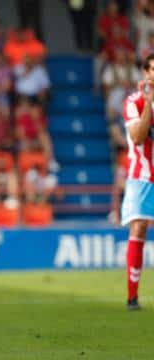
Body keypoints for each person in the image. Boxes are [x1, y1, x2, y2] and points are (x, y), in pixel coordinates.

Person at [120, 53, 154, 311]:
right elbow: (139, 138)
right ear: (146, 73)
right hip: (141, 175)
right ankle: (132, 297)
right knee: (139, 228)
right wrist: (149, 104)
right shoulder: (134, 102)